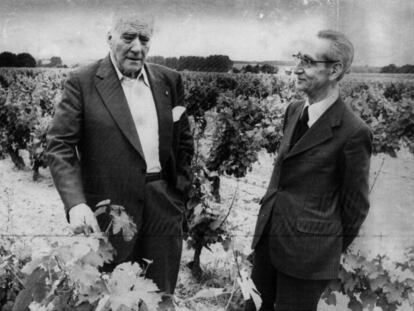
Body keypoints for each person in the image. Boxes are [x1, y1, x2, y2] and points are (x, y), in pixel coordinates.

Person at [46, 10, 194, 306]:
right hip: (110, 216)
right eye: (128, 37)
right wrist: (76, 204)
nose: (137, 47)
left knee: (159, 296)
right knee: (108, 298)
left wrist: (178, 193)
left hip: (163, 209)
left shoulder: (170, 80)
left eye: (144, 39)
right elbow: (59, 145)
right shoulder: (82, 82)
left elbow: (184, 143)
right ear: (110, 37)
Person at [246, 30, 372, 311]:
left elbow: (356, 207)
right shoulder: (293, 110)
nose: (297, 68)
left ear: (335, 70)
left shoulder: (353, 132)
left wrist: (319, 246)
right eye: (298, 58)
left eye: (308, 61)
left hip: (307, 261)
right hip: (267, 243)